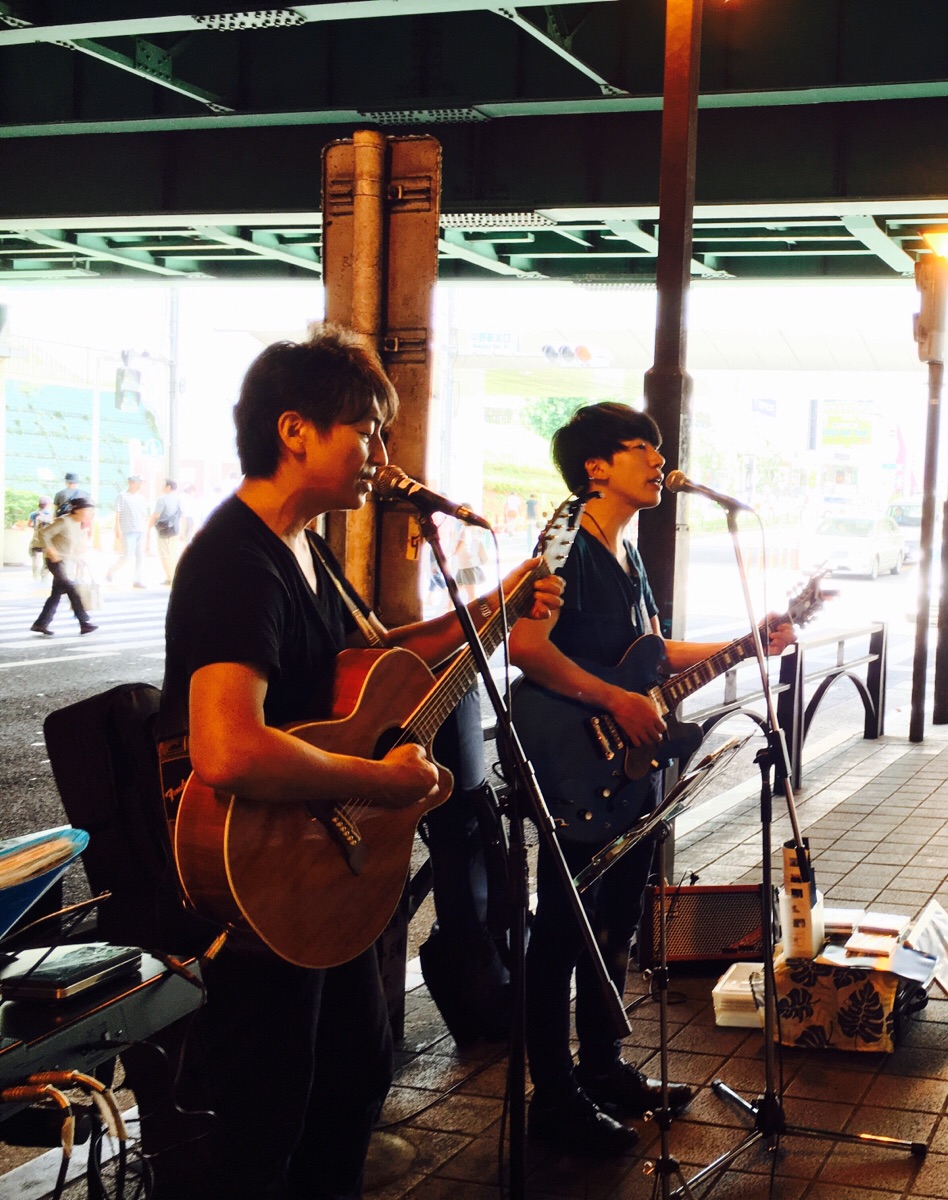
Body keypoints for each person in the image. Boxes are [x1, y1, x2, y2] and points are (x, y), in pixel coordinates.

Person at [145, 328, 563, 1199]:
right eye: (367, 431)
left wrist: (495, 604)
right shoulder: (235, 563)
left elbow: (369, 662)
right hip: (264, 873)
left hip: (320, 870)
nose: (383, 456)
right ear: (294, 430)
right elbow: (228, 747)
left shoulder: (308, 548)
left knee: (351, 1080)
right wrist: (384, 781)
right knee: (266, 1125)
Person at [507, 401, 795, 1157]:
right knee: (561, 930)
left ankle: (602, 1068)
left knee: (615, 921)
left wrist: (747, 644)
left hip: (627, 768)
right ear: (596, 465)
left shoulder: (628, 553)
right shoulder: (564, 537)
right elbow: (527, 647)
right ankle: (554, 1097)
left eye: (660, 450)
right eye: (643, 447)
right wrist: (613, 700)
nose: (660, 462)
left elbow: (653, 654)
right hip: (575, 757)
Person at [31, 498, 97, 636]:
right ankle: (84, 622)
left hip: (67, 562)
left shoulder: (78, 524)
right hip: (56, 562)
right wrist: (50, 550)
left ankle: (41, 624)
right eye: (88, 510)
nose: (91, 513)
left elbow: (74, 545)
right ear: (77, 510)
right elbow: (44, 533)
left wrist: (79, 559)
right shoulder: (63, 521)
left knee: (56, 595)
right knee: (72, 589)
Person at [108, 474, 150, 588]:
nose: (140, 485)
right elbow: (117, 513)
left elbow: (145, 514)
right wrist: (117, 528)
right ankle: (111, 571)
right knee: (127, 556)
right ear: (131, 483)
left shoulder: (141, 498)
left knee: (140, 556)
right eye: (138, 483)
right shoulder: (122, 496)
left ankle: (137, 580)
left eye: (141, 483)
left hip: (140, 530)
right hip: (128, 530)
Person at [150, 478, 185, 585]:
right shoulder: (178, 499)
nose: (162, 487)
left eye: (163, 485)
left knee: (164, 554)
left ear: (168, 487)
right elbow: (182, 515)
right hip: (175, 529)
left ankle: (169, 577)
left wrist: (150, 525)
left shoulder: (161, 499)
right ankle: (176, 576)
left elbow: (156, 515)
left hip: (164, 530)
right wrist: (183, 532)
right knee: (173, 553)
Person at [26, 497, 52, 580]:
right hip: (46, 539)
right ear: (48, 504)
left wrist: (35, 527)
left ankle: (35, 576)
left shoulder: (33, 514)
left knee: (35, 559)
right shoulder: (51, 514)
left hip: (36, 538)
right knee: (46, 559)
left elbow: (29, 524)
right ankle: (44, 576)